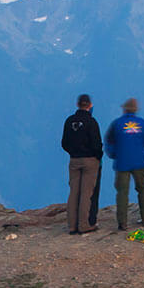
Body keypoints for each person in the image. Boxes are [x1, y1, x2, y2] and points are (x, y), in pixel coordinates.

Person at [105, 97, 144, 230]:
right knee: (143, 189)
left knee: (122, 192)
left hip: (121, 163)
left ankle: (122, 223)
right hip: (139, 162)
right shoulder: (143, 124)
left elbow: (109, 142)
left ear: (124, 109)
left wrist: (114, 154)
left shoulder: (116, 124)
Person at [60, 94, 102, 234]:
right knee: (86, 193)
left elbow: (64, 143)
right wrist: (97, 156)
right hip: (90, 160)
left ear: (77, 104)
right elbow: (96, 143)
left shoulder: (69, 121)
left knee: (73, 192)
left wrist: (73, 152)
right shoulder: (91, 122)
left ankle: (71, 226)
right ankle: (84, 225)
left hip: (74, 160)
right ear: (89, 105)